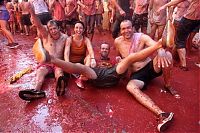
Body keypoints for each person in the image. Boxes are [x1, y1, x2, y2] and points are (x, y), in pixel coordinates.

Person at [114, 20, 178, 132]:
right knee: (130, 87)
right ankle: (162, 114)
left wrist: (161, 52)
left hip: (150, 67)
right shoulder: (117, 42)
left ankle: (167, 85)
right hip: (137, 75)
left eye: (129, 27)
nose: (126, 31)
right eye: (123, 29)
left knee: (167, 54)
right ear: (120, 30)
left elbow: (156, 45)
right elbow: (118, 55)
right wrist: (119, 60)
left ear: (133, 28)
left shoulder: (141, 37)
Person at [18, 2, 68, 99]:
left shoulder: (65, 37)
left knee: (59, 74)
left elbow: (68, 51)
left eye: (55, 28)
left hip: (58, 62)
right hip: (47, 62)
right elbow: (38, 24)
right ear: (48, 30)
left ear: (59, 28)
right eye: (51, 29)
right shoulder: (46, 34)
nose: (53, 31)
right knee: (40, 73)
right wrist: (32, 12)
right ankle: (36, 91)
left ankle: (60, 86)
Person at [157, 0, 200, 70]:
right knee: (181, 39)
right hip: (196, 20)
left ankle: (183, 65)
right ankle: (176, 58)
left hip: (189, 18)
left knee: (179, 40)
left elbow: (177, 1)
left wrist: (164, 6)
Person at [64, 21, 96, 88]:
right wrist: (67, 63)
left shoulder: (86, 40)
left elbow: (90, 50)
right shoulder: (69, 39)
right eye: (77, 28)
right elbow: (66, 53)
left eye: (80, 28)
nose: (78, 30)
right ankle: (82, 75)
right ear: (74, 29)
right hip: (72, 64)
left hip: (82, 64)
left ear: (83, 30)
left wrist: (93, 59)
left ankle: (80, 78)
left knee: (90, 56)